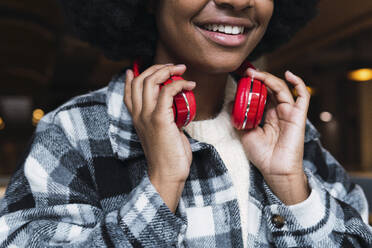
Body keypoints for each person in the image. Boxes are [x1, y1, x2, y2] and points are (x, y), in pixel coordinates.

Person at [1, 0, 371, 247]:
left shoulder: (290, 131)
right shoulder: (73, 133)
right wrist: (161, 186)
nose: (239, 0)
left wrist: (292, 187)